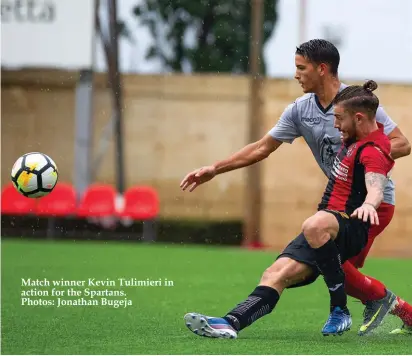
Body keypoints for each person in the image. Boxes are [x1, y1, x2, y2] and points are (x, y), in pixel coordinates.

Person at [180, 39, 412, 336]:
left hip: (371, 206)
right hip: (335, 208)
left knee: (331, 262)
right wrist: (215, 168)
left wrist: (367, 160)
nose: (296, 74)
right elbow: (262, 148)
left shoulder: (359, 104)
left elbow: (402, 144)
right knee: (311, 269)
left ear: (322, 69)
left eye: (301, 68)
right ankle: (232, 322)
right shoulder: (300, 111)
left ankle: (362, 306)